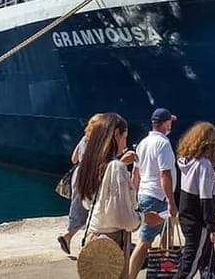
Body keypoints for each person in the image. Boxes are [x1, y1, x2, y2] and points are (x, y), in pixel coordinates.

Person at [75, 113, 163, 278]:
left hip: (93, 235)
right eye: (124, 137)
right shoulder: (116, 167)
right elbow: (123, 218)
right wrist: (145, 218)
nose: (125, 142)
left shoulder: (91, 164)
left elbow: (89, 202)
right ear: (116, 134)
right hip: (113, 240)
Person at [129, 108, 179, 279]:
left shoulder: (143, 143)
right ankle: (130, 276)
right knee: (145, 241)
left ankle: (162, 273)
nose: (171, 124)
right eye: (170, 121)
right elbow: (164, 174)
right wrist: (171, 202)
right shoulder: (163, 144)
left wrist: (133, 197)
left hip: (145, 194)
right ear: (166, 123)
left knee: (167, 235)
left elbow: (135, 174)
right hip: (157, 197)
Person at [175, 122, 215, 279]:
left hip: (186, 215)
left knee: (204, 259)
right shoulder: (204, 165)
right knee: (190, 266)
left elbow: (195, 187)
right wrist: (212, 227)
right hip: (198, 220)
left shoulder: (185, 161)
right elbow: (205, 199)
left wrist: (213, 180)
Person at [57, 113, 104, 255]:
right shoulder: (99, 142)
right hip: (89, 177)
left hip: (78, 175)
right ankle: (87, 244)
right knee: (94, 210)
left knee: (79, 208)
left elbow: (74, 158)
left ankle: (69, 237)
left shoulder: (84, 139)